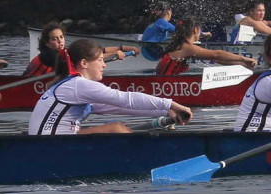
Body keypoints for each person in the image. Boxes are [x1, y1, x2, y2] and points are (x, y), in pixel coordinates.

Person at [29, 38, 192, 135]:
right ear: (84, 63)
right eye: (100, 60)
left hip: (54, 140)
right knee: (116, 129)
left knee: (118, 126)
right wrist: (171, 104)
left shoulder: (75, 87)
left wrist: (165, 111)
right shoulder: (78, 85)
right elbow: (125, 99)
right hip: (50, 143)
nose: (104, 65)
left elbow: (120, 107)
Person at [24, 23, 136, 77]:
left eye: (61, 37)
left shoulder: (64, 53)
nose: (60, 41)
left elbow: (95, 50)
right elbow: (86, 57)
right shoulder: (48, 56)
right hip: (25, 85)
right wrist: (115, 54)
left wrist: (121, 48)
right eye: (54, 39)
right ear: (47, 43)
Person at [155, 20, 257, 76]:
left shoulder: (179, 44)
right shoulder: (187, 48)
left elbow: (216, 59)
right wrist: (244, 58)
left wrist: (242, 65)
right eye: (200, 30)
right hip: (166, 85)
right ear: (195, 30)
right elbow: (217, 54)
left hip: (164, 83)